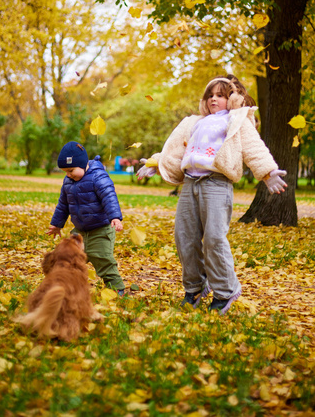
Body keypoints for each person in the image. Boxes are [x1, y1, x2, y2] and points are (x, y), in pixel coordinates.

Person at [137, 75, 287, 314]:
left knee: (215, 239)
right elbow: (174, 150)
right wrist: (156, 163)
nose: (214, 99)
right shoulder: (193, 122)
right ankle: (195, 287)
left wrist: (267, 172)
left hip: (216, 184)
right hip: (190, 185)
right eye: (210, 95)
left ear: (232, 99)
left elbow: (253, 147)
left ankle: (225, 290)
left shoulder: (236, 120)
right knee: (184, 237)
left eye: (220, 95)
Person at [47, 141, 126, 296]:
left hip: (101, 229)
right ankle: (66, 287)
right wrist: (57, 224)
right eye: (65, 172)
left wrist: (115, 217)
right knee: (69, 258)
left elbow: (109, 197)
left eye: (71, 170)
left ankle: (116, 289)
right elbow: (63, 204)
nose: (68, 174)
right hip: (80, 231)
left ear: (83, 164)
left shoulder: (98, 177)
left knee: (103, 259)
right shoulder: (68, 181)